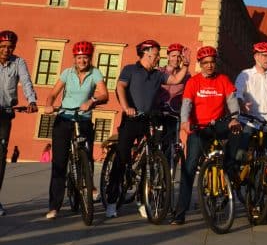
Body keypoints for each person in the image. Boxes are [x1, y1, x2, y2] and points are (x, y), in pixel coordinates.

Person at [172, 45, 240, 226]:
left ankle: (229, 165)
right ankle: (180, 212)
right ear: (200, 64)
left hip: (218, 125)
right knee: (189, 168)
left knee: (236, 131)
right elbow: (186, 104)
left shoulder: (223, 80)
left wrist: (234, 119)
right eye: (205, 63)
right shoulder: (193, 82)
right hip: (198, 128)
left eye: (212, 62)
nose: (209, 66)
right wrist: (185, 121)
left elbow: (232, 102)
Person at [43, 40, 109, 219]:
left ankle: (87, 187)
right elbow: (52, 94)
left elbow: (104, 94)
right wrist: (49, 105)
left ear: (90, 58)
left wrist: (92, 101)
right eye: (79, 57)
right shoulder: (67, 73)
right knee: (59, 163)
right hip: (64, 119)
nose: (82, 61)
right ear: (75, 58)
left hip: (84, 120)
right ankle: (54, 206)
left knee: (86, 158)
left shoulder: (95, 73)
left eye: (85, 57)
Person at [105, 38, 166, 219]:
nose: (158, 58)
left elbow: (176, 79)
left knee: (150, 160)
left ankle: (142, 200)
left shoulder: (157, 74)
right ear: (146, 54)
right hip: (131, 119)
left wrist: (186, 65)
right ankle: (111, 201)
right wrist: (126, 107)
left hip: (148, 120)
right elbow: (120, 86)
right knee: (122, 159)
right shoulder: (130, 70)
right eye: (156, 54)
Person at [0, 29, 38, 216]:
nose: (7, 50)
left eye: (10, 47)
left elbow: (26, 81)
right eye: (3, 47)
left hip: (5, 113)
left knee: (0, 157)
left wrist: (31, 100)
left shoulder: (18, 62)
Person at [158, 43, 191, 161]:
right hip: (158, 111)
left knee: (169, 143)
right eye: (173, 55)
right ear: (167, 57)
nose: (176, 59)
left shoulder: (187, 76)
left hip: (173, 113)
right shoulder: (159, 71)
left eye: (178, 56)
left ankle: (165, 172)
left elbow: (188, 97)